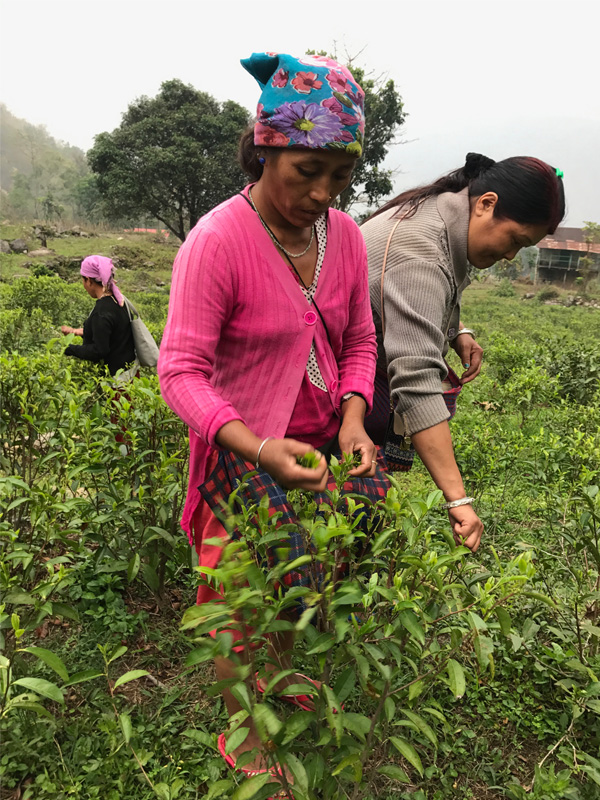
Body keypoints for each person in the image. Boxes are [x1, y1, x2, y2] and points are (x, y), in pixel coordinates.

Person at [158, 52, 380, 788]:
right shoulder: (217, 242)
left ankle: (280, 681)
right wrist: (256, 448)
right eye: (305, 171)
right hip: (243, 451)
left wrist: (352, 416)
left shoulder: (343, 238)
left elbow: (358, 339)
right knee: (236, 595)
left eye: (340, 175)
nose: (322, 193)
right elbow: (180, 371)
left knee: (301, 576)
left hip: (319, 446)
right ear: (265, 148)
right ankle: (244, 729)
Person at [361, 153, 566, 554]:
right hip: (319, 393)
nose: (510, 256)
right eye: (516, 241)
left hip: (350, 378)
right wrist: (458, 498)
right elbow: (416, 380)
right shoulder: (419, 249)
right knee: (345, 517)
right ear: (486, 204)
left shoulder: (444, 212)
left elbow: (431, 290)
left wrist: (456, 332)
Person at [62, 255, 135, 377]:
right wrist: (75, 331)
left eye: (83, 280)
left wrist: (69, 349)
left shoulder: (101, 312)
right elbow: (110, 333)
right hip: (130, 374)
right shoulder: (118, 300)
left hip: (115, 383)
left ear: (89, 281)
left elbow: (99, 350)